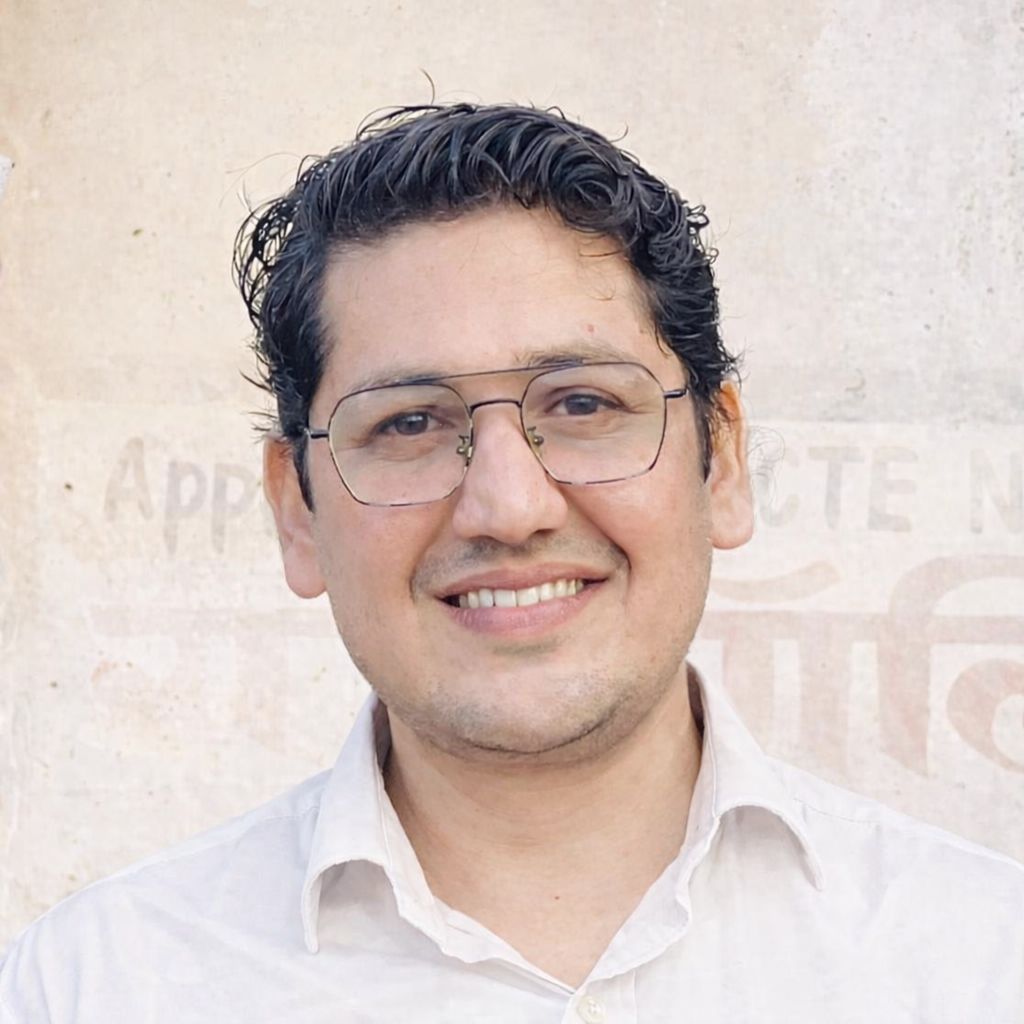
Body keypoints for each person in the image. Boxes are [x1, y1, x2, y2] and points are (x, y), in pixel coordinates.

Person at [1, 103, 1021, 1023]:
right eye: (408, 422)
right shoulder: (93, 988)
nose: (509, 507)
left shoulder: (981, 962)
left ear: (722, 461)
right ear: (296, 510)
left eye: (582, 404)